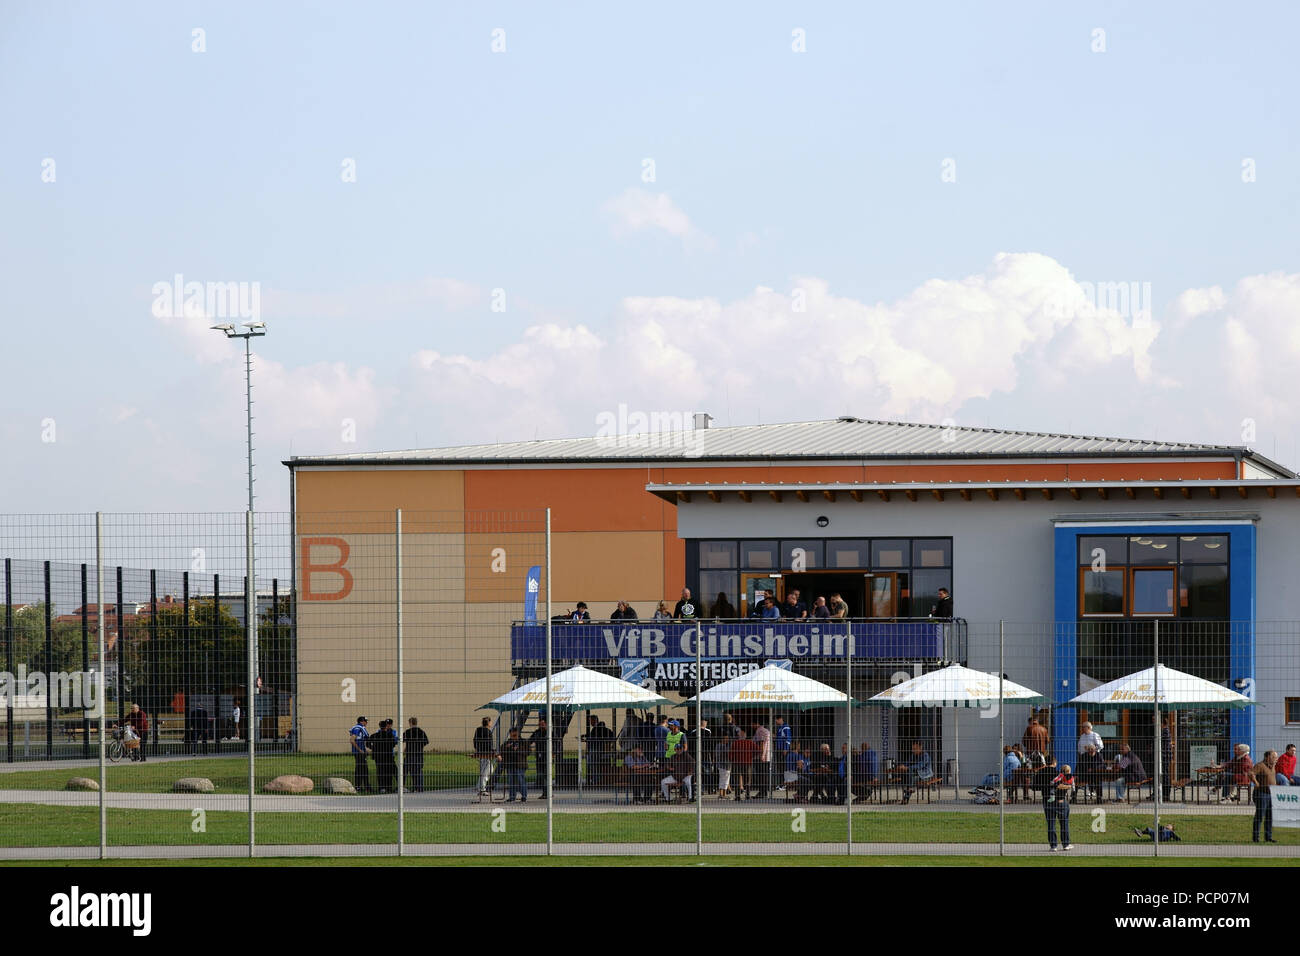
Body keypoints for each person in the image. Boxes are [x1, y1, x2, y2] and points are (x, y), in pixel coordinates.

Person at [1040, 758, 1074, 851]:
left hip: (1048, 800)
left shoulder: (1042, 773)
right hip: (1061, 801)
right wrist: (1068, 786)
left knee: (1051, 823)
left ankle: (1053, 845)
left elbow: (1035, 786)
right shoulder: (1064, 776)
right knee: (1064, 822)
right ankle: (1065, 844)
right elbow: (1063, 785)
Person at [1252, 750, 1279, 843]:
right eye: (1274, 757)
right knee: (1260, 816)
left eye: (1276, 757)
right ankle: (1256, 838)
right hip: (1261, 793)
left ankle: (1268, 837)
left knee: (1269, 816)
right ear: (1267, 757)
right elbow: (1251, 774)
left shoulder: (1273, 767)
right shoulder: (1260, 765)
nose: (1276, 759)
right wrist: (1256, 782)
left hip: (1270, 794)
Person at [500, 727, 529, 802]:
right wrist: (507, 748)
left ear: (518, 734)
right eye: (512, 735)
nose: (513, 736)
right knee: (511, 781)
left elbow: (528, 752)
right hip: (510, 764)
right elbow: (502, 750)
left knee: (520, 780)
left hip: (520, 764)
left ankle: (524, 796)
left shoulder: (523, 742)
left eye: (515, 735)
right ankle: (512, 796)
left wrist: (518, 749)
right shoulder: (507, 743)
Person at [368, 719, 398, 792]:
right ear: (386, 726)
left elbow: (367, 743)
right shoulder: (390, 735)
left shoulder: (374, 735)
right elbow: (394, 744)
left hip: (378, 757)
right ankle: (389, 787)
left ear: (379, 726)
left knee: (380, 771)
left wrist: (373, 748)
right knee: (389, 771)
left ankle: (382, 787)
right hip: (388, 756)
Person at [403, 717, 429, 792]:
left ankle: (403, 787)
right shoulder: (421, 732)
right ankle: (419, 788)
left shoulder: (408, 732)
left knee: (406, 771)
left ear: (410, 723)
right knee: (418, 771)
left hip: (409, 755)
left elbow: (402, 739)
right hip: (418, 754)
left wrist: (407, 747)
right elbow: (426, 741)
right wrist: (420, 746)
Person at [729, 729, 756, 800]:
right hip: (747, 763)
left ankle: (737, 796)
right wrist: (751, 756)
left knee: (737, 780)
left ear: (739, 735)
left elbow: (730, 754)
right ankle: (747, 795)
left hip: (737, 763)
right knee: (747, 780)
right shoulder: (750, 742)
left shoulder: (735, 743)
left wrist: (732, 760)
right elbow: (757, 750)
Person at [530, 717, 552, 798]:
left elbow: (557, 743)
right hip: (539, 757)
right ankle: (545, 792)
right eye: (540, 724)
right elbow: (530, 740)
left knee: (547, 775)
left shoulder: (550, 733)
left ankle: (547, 793)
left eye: (542, 724)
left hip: (547, 757)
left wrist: (554, 753)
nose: (541, 726)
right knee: (541, 775)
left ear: (546, 724)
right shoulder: (537, 732)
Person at [473, 716, 496, 796]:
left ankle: (479, 787)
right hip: (486, 754)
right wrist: (492, 752)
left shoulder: (478, 730)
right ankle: (482, 789)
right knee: (487, 771)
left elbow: (475, 740)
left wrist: (477, 749)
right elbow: (489, 744)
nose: (491, 723)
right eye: (491, 722)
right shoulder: (488, 732)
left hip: (480, 752)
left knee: (484, 770)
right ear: (489, 723)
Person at [350, 715, 371, 794]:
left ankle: (362, 786)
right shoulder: (357, 728)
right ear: (361, 721)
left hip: (361, 752)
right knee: (362, 769)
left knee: (362, 769)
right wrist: (360, 750)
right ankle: (361, 786)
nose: (366, 723)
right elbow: (352, 740)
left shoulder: (360, 728)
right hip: (359, 753)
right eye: (365, 721)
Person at [751, 720, 772, 798]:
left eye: (752, 723)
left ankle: (762, 792)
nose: (751, 726)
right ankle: (763, 792)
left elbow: (762, 743)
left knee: (760, 775)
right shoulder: (766, 730)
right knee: (764, 775)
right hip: (767, 756)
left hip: (761, 757)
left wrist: (761, 755)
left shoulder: (760, 730)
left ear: (756, 723)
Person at [773, 716, 793, 791]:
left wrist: (786, 749)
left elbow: (788, 738)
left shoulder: (785, 727)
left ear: (780, 719)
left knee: (783, 767)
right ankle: (781, 784)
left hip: (783, 750)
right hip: (779, 749)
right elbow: (780, 738)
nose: (775, 722)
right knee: (780, 767)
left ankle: (784, 784)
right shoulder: (780, 728)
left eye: (776, 721)